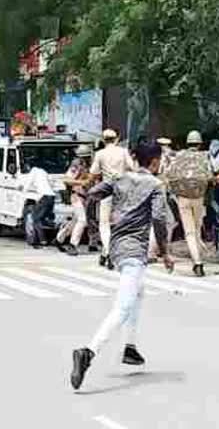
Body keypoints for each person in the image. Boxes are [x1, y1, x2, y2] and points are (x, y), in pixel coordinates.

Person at [70, 144, 171, 390]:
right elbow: (158, 218)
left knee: (139, 291)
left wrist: (96, 218)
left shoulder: (119, 178)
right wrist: (165, 252)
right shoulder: (155, 185)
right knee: (123, 307)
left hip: (116, 246)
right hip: (134, 249)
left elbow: (92, 192)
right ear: (155, 162)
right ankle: (88, 352)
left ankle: (130, 347)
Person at [166, 130, 213, 277]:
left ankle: (197, 263)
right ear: (199, 144)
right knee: (197, 231)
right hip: (198, 197)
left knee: (190, 233)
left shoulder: (179, 156)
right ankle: (198, 260)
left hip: (182, 198)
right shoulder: (204, 157)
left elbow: (169, 174)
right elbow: (210, 176)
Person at [90, 129, 136, 267]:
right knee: (118, 223)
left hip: (106, 189)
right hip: (122, 190)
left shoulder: (100, 154)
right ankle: (106, 253)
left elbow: (93, 173)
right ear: (116, 139)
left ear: (104, 140)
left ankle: (108, 251)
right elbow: (132, 167)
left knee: (104, 224)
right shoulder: (123, 151)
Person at [56, 144, 93, 256]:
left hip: (85, 197)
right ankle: (72, 245)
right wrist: (81, 183)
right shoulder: (76, 165)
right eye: (84, 156)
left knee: (75, 221)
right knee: (82, 220)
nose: (86, 158)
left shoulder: (89, 165)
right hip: (77, 196)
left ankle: (59, 239)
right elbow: (67, 180)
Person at [20, 162, 56, 249]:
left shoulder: (33, 172)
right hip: (52, 196)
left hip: (44, 197)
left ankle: (42, 240)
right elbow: (51, 183)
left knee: (35, 218)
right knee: (43, 218)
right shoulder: (43, 172)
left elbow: (28, 183)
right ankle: (53, 237)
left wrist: (23, 191)